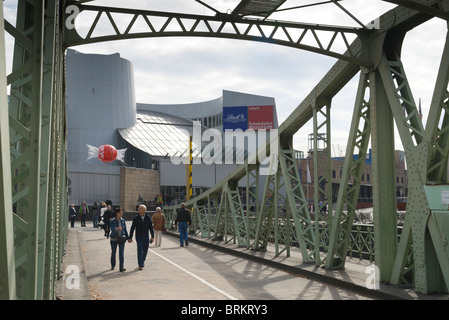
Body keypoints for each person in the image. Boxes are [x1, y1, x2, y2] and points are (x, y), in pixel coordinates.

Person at [130, 204, 154, 270]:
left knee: (145, 250)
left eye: (140, 208)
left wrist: (152, 236)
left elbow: (151, 228)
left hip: (146, 236)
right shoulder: (136, 218)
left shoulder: (148, 218)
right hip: (138, 236)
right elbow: (132, 228)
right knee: (140, 250)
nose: (138, 209)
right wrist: (130, 237)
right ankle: (140, 264)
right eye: (139, 208)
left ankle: (142, 261)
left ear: (144, 210)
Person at [109, 207, 131, 272]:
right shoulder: (113, 220)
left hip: (121, 238)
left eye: (122, 212)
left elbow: (125, 230)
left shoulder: (123, 220)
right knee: (113, 252)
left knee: (121, 252)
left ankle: (121, 267)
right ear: (117, 213)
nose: (122, 213)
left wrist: (128, 238)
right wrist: (117, 229)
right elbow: (112, 228)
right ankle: (113, 265)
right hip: (114, 238)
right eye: (120, 212)